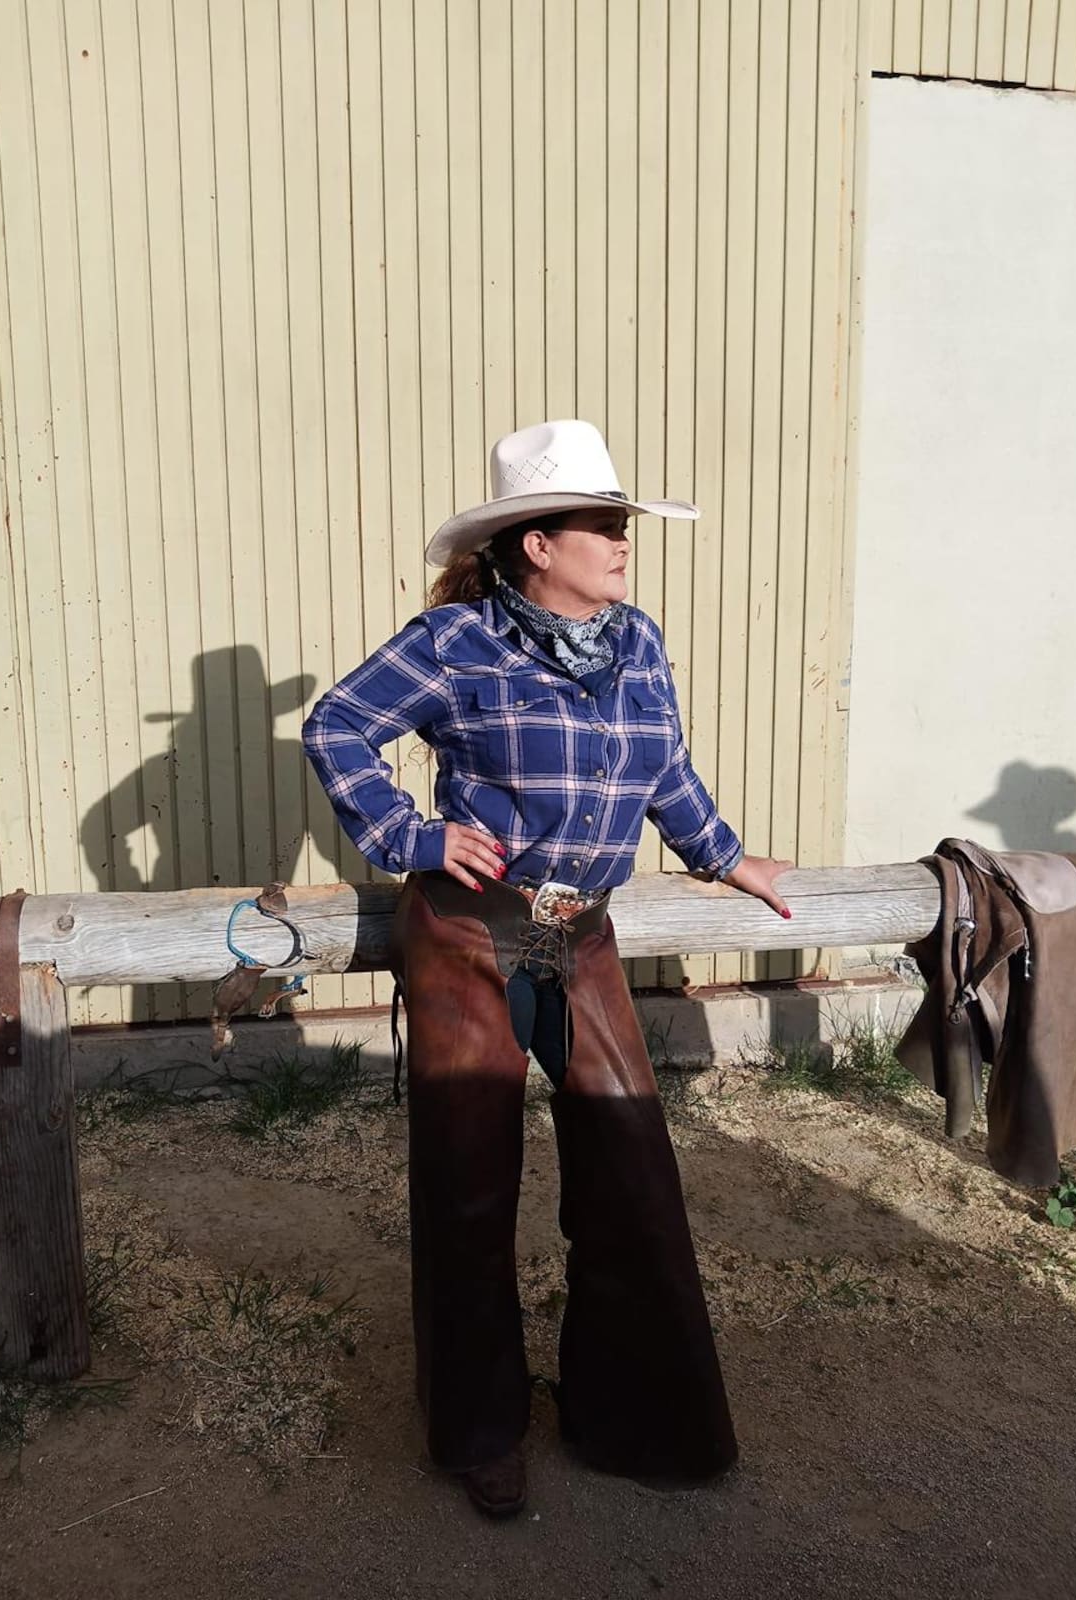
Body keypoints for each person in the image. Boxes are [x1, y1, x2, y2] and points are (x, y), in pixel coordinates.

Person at [303, 418, 793, 1517]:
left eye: (625, 522)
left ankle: (630, 1413)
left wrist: (727, 855)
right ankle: (478, 1432)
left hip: (581, 932)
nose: (623, 540)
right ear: (536, 543)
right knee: (471, 1181)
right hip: (474, 931)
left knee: (630, 1171)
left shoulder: (640, 640)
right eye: (602, 524)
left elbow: (666, 764)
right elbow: (338, 726)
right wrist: (411, 836)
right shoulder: (456, 643)